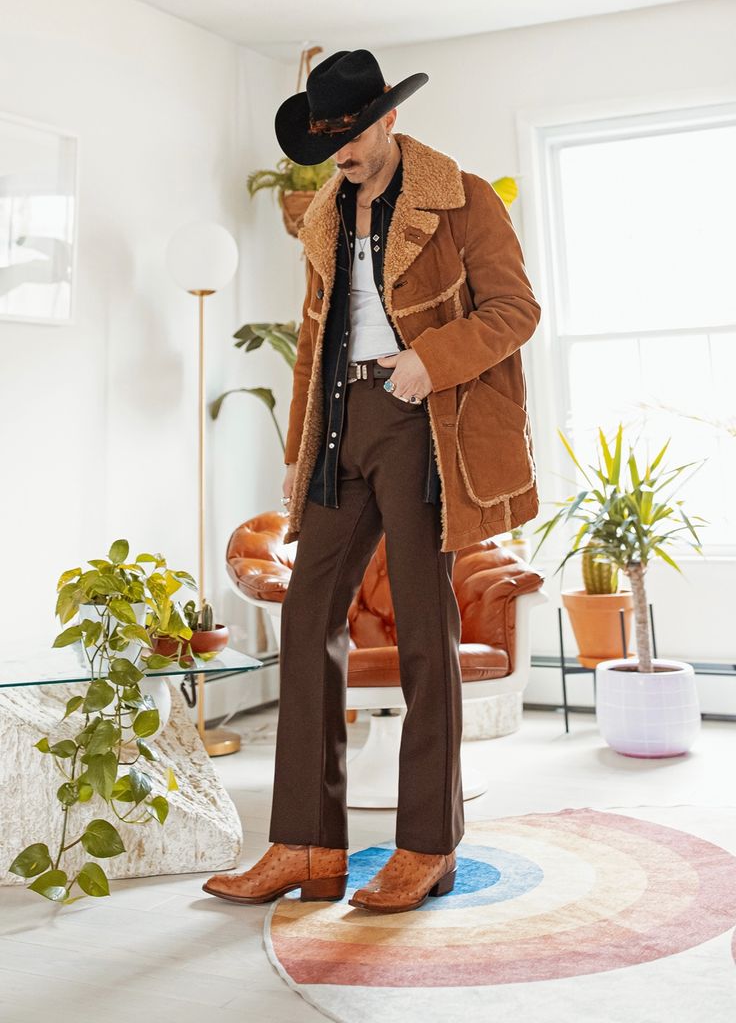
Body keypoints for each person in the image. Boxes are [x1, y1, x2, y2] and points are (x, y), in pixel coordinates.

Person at [203, 49, 541, 914]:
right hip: (338, 427)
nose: (341, 152)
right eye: (328, 139)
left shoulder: (460, 197)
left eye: (351, 133)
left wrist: (431, 360)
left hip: (422, 420)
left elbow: (516, 311)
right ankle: (306, 846)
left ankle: (426, 847)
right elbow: (313, 340)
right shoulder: (323, 212)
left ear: (388, 119)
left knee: (428, 631)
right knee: (309, 617)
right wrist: (295, 446)